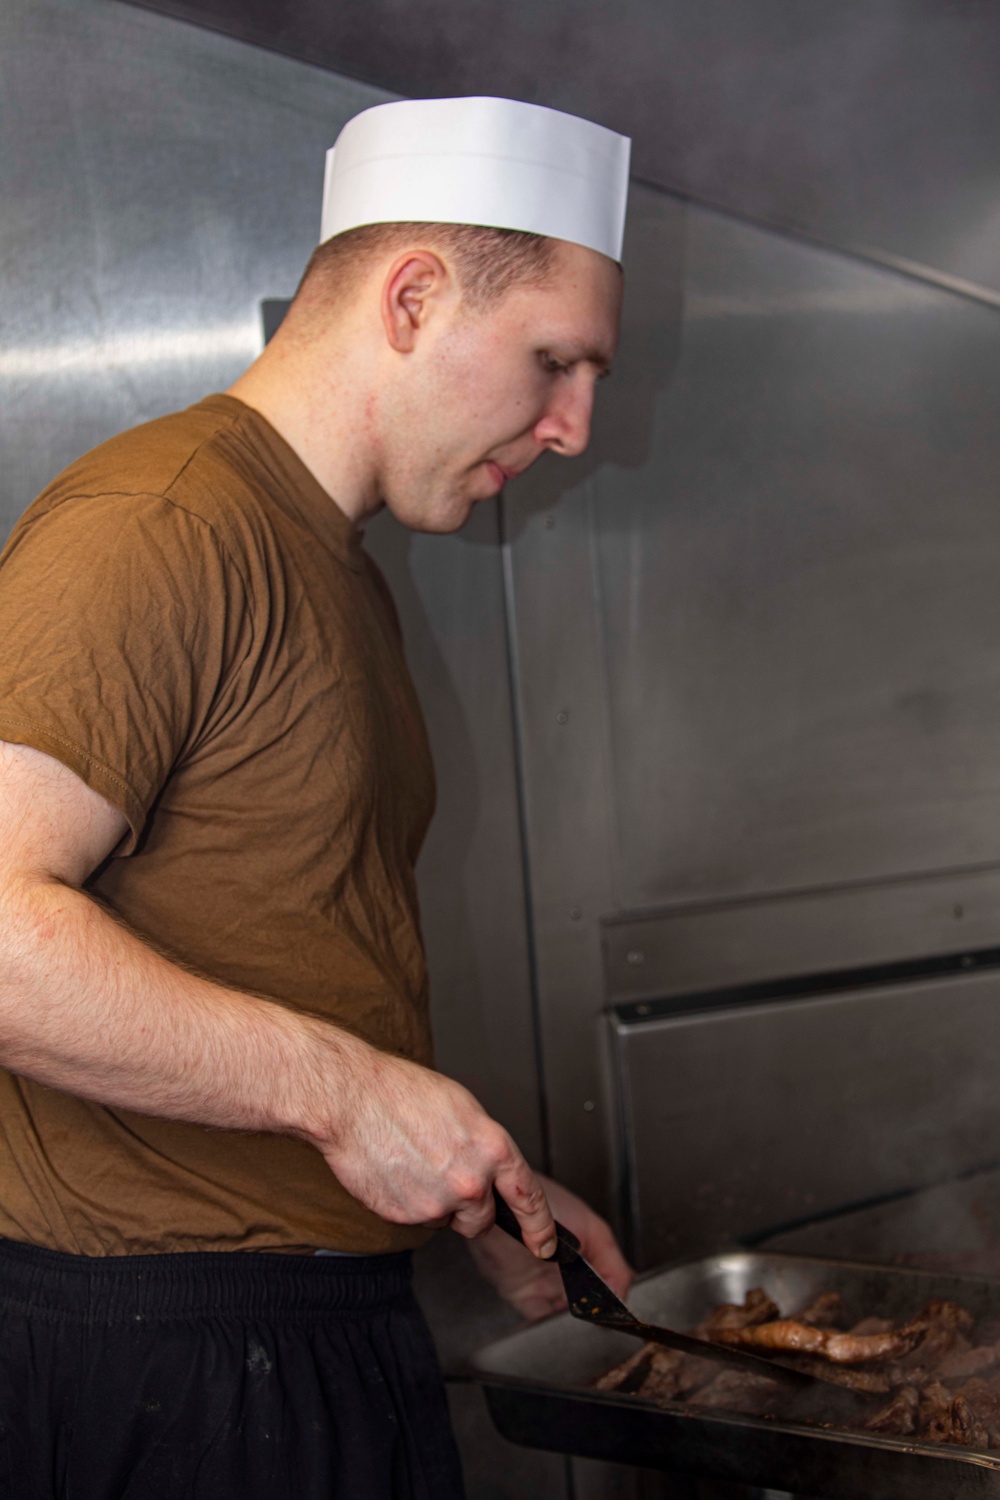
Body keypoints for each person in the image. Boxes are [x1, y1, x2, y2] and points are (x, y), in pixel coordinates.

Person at [0, 96, 632, 1497]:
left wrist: (475, 1192)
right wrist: (349, 1100)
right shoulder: (160, 526)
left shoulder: (328, 558)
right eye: (552, 362)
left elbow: (279, 942)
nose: (577, 426)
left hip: (308, 1340)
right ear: (413, 298)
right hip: (171, 1373)